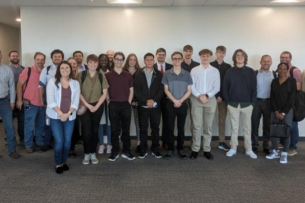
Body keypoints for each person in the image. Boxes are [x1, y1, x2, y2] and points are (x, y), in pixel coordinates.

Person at [47, 61, 80, 173]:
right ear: (59, 70)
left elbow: (76, 101)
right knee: (59, 141)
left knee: (67, 142)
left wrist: (68, 114)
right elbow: (50, 101)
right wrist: (61, 114)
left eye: (67, 67)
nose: (65, 70)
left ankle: (64, 161)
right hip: (56, 116)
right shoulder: (52, 82)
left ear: (71, 69)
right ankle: (58, 164)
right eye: (62, 68)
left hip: (69, 117)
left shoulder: (75, 83)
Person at [223, 49, 257, 159]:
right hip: (232, 104)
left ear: (245, 58)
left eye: (242, 55)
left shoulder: (251, 71)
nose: (240, 57)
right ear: (234, 58)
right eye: (237, 55)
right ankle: (233, 148)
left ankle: (249, 149)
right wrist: (228, 102)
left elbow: (254, 88)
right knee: (234, 128)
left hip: (247, 105)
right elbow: (225, 87)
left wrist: (252, 103)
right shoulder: (229, 71)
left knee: (247, 128)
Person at [77, 54, 109, 165]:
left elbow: (104, 93)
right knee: (86, 131)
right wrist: (87, 104)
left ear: (97, 63)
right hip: (84, 106)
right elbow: (78, 92)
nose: (93, 64)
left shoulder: (101, 75)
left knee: (95, 130)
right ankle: (86, 154)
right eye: (90, 62)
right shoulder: (81, 75)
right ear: (87, 63)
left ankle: (93, 153)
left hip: (98, 106)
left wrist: (96, 106)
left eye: (95, 62)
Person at [190, 49, 220, 160]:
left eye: (207, 56)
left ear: (210, 57)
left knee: (208, 126)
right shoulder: (194, 70)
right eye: (203, 56)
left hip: (210, 100)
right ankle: (195, 149)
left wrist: (206, 96)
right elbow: (191, 86)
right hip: (196, 99)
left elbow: (217, 87)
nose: (205, 58)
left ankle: (207, 149)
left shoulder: (215, 71)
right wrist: (199, 96)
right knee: (197, 127)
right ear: (200, 57)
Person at [162, 51, 193, 159]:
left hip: (183, 104)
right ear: (172, 60)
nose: (177, 60)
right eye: (175, 58)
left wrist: (180, 101)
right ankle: (170, 149)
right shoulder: (167, 73)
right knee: (170, 127)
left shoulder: (187, 74)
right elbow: (166, 90)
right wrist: (175, 100)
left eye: (179, 58)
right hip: (170, 104)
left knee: (181, 127)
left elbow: (189, 90)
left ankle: (180, 149)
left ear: (182, 60)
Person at [105, 52, 134, 161]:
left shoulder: (128, 75)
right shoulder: (107, 75)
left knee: (126, 130)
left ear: (123, 61)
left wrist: (128, 102)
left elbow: (131, 90)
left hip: (125, 104)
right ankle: (115, 151)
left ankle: (127, 150)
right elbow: (105, 90)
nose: (119, 61)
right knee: (114, 130)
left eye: (121, 60)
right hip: (113, 105)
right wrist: (109, 101)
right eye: (117, 59)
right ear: (113, 60)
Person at [134, 53, 163, 159]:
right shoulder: (139, 73)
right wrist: (146, 101)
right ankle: (143, 149)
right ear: (144, 61)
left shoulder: (159, 74)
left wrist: (153, 101)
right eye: (147, 60)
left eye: (151, 60)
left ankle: (155, 149)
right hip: (143, 107)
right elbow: (137, 91)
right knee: (143, 128)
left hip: (155, 106)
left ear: (154, 61)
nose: (150, 61)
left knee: (155, 128)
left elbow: (161, 90)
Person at [266, 63, 296, 164]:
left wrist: (283, 112)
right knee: (273, 130)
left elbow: (292, 99)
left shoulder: (292, 81)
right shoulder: (274, 81)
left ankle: (284, 153)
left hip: (287, 111)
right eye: (280, 69)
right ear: (277, 70)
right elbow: (272, 97)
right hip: (274, 110)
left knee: (286, 131)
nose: (282, 70)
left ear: (287, 70)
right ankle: (275, 150)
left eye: (284, 69)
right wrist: (276, 111)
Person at [16, 52, 46, 153]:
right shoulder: (27, 70)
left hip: (43, 104)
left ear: (44, 61)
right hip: (30, 103)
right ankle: (28, 144)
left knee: (41, 124)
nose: (40, 61)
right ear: (34, 60)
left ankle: (39, 142)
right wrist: (19, 100)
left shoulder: (45, 72)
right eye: (38, 59)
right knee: (29, 124)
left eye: (42, 60)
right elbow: (19, 85)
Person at [39, 49, 64, 152]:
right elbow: (41, 85)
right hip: (50, 101)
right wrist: (42, 99)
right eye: (55, 56)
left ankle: (58, 142)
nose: (57, 58)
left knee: (61, 121)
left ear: (62, 58)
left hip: (63, 101)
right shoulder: (47, 69)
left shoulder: (65, 68)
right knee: (48, 122)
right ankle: (47, 143)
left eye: (59, 56)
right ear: (52, 58)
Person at [251, 55, 275, 154]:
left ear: (271, 62)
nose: (266, 63)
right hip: (256, 102)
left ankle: (266, 146)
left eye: (268, 61)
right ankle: (255, 145)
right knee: (255, 125)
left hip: (269, 103)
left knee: (267, 126)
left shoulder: (274, 74)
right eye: (264, 61)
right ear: (260, 62)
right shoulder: (255, 73)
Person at [280, 51, 302, 156]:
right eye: (282, 57)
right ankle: (284, 143)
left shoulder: (295, 71)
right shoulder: (280, 70)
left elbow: (299, 88)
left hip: (293, 103)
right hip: (282, 103)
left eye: (286, 57)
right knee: (284, 124)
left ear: (290, 58)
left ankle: (293, 147)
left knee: (293, 124)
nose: (284, 59)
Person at [210, 46, 232, 151]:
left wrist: (221, 96)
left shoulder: (228, 66)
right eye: (219, 52)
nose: (221, 54)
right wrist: (215, 95)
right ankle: (207, 141)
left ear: (225, 54)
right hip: (211, 97)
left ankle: (222, 141)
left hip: (223, 98)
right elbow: (209, 82)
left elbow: (228, 83)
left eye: (223, 53)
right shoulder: (210, 65)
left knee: (222, 120)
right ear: (216, 53)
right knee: (208, 120)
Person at [0, 49, 20, 159]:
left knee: (9, 126)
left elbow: (12, 86)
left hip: (4, 101)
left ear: (1, 56)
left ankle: (12, 150)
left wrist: (12, 101)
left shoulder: (7, 69)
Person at [153, 48, 173, 150]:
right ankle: (155, 143)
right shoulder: (151, 66)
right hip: (155, 98)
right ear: (156, 55)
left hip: (167, 98)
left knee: (167, 121)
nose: (161, 56)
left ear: (165, 55)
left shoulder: (171, 67)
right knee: (155, 122)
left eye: (163, 54)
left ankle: (165, 142)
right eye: (159, 54)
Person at [123, 53, 141, 152]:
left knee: (138, 124)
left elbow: (141, 88)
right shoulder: (123, 72)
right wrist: (129, 101)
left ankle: (139, 143)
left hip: (137, 102)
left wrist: (137, 100)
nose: (132, 61)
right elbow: (122, 88)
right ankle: (126, 145)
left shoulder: (140, 72)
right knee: (126, 124)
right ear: (127, 61)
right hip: (126, 102)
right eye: (130, 59)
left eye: (134, 60)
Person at [8, 50, 25, 144]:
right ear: (9, 58)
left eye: (16, 56)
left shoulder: (23, 69)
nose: (15, 57)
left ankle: (22, 138)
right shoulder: (6, 69)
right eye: (13, 56)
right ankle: (10, 139)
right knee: (9, 121)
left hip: (21, 99)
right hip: (8, 99)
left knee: (21, 119)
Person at [97, 54, 112, 155]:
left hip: (111, 101)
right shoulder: (96, 72)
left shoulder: (112, 72)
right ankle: (101, 144)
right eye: (101, 59)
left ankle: (110, 144)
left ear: (108, 61)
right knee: (100, 123)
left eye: (105, 59)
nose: (103, 61)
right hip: (99, 101)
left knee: (110, 123)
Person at [67, 57, 80, 157]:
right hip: (67, 107)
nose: (72, 65)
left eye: (74, 63)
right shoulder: (64, 76)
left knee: (75, 128)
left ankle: (72, 149)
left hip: (79, 106)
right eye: (70, 63)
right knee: (68, 129)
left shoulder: (80, 75)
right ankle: (67, 149)